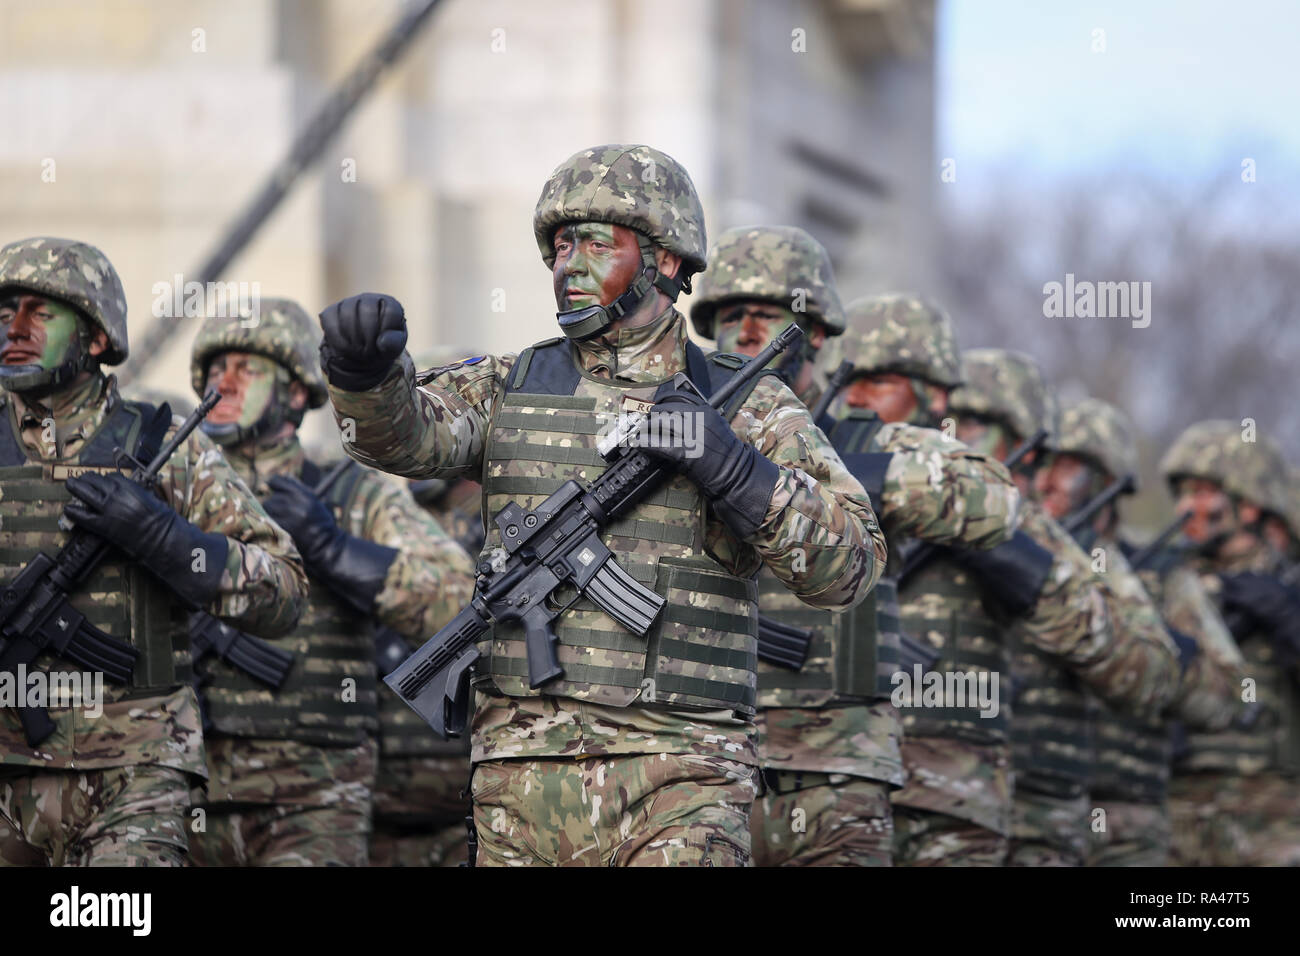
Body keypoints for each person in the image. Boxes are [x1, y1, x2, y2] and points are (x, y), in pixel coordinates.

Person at [318, 144, 888, 866]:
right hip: (521, 783)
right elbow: (406, 440)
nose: (570, 265)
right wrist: (365, 376)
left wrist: (735, 469)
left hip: (683, 776)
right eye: (561, 245)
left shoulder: (750, 403)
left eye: (597, 243)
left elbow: (851, 565)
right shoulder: (510, 385)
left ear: (667, 261)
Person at [0, 237, 306, 866]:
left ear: (94, 338)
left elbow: (283, 591)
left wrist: (170, 540)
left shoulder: (162, 443)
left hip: (136, 775)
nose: (16, 329)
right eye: (6, 313)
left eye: (41, 312)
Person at [186, 298, 475, 866]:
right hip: (189, 787)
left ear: (296, 392)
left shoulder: (351, 493)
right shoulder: (176, 488)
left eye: (248, 368)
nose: (226, 383)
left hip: (313, 796)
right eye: (216, 371)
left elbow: (458, 599)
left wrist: (333, 548)